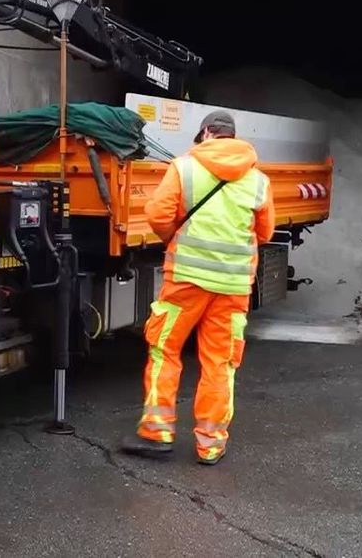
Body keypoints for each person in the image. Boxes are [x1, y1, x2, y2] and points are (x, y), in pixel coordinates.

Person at [120, 109, 275, 465]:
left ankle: (156, 433)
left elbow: (158, 215)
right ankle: (211, 444)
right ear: (232, 137)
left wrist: (175, 237)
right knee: (220, 362)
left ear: (206, 134)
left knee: (165, 350)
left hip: (186, 282)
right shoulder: (259, 181)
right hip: (234, 287)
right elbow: (264, 233)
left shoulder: (185, 167)